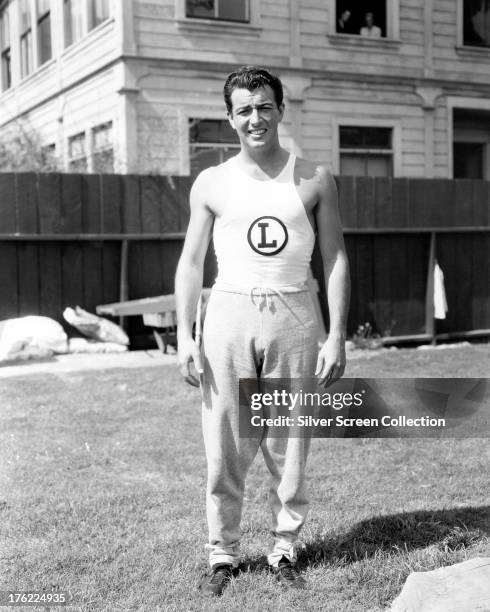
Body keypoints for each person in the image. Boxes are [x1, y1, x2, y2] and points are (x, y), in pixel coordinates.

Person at [175, 65, 350, 596]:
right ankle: (221, 553)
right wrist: (185, 334)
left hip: (296, 314)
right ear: (230, 119)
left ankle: (285, 547)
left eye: (265, 106)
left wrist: (337, 333)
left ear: (281, 109)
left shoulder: (314, 178)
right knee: (225, 442)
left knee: (289, 439)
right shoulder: (212, 182)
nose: (256, 118)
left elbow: (336, 257)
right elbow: (190, 262)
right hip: (228, 314)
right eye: (245, 110)